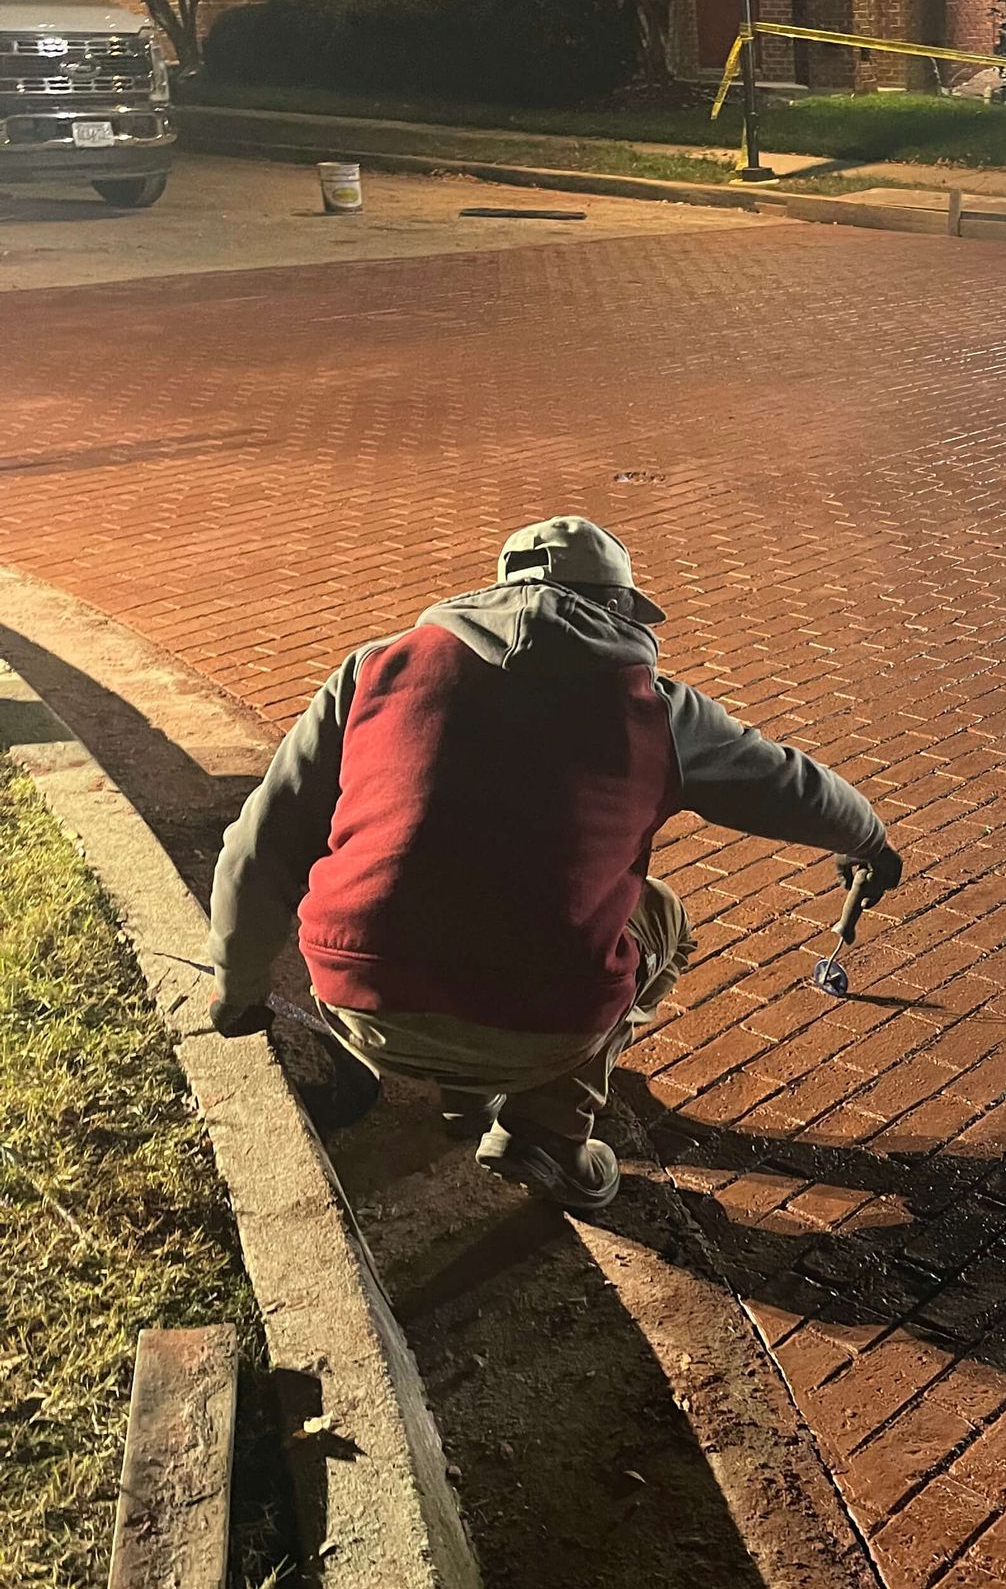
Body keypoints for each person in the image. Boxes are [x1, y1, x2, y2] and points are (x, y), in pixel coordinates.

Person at [207, 515, 902, 1209]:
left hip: (359, 1002)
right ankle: (547, 1130)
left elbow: (259, 845)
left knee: (407, 876)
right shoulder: (655, 709)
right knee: (661, 916)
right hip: (543, 1026)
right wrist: (869, 842)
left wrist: (237, 991)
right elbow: (792, 788)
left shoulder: (374, 670)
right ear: (619, 606)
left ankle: (461, 1087)